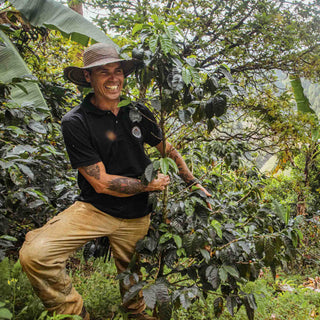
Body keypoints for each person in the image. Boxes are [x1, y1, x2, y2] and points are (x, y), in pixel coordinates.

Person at [19, 43, 211, 320]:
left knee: (133, 274)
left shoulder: (138, 112)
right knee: (36, 254)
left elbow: (166, 148)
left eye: (117, 71)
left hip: (136, 214)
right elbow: (101, 183)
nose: (113, 78)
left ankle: (137, 314)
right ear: (88, 77)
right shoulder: (76, 121)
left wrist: (192, 183)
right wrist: (149, 185)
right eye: (103, 72)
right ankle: (73, 313)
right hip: (94, 208)